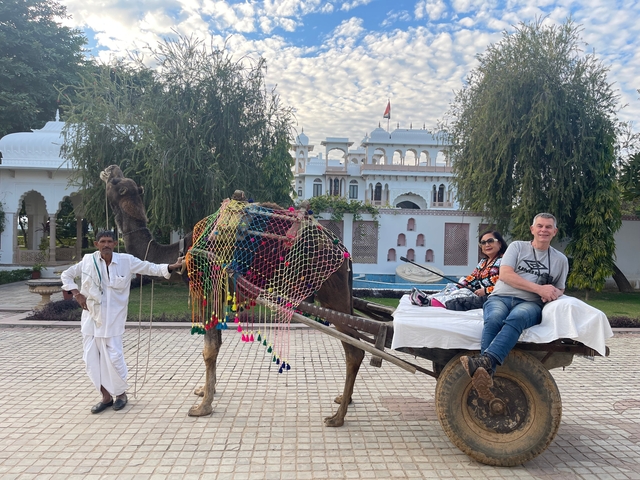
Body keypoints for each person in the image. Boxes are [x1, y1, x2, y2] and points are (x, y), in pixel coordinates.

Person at [61, 230, 184, 414]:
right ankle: (105, 396)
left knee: (114, 358)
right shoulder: (88, 261)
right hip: (91, 320)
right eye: (102, 241)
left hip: (113, 321)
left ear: (115, 243)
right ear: (97, 244)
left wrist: (172, 266)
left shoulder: (126, 260)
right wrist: (77, 294)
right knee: (90, 359)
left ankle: (120, 395)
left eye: (110, 241)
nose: (106, 245)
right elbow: (66, 275)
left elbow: (149, 267)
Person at [460, 213, 569, 399]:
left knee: (517, 317)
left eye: (548, 227)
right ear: (532, 229)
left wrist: (552, 293)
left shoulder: (560, 260)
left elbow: (560, 287)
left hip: (530, 303)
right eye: (540, 226)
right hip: (501, 297)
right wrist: (539, 288)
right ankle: (487, 374)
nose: (544, 230)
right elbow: (505, 275)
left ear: (554, 231)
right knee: (494, 318)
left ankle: (484, 363)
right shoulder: (517, 247)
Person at [444, 230, 508, 311]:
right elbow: (470, 279)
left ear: (500, 243)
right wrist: (454, 288)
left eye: (490, 241)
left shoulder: (506, 260)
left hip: (498, 299)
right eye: (483, 243)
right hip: (483, 297)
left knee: (457, 303)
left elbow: (508, 284)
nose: (487, 245)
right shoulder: (483, 262)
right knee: (452, 296)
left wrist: (486, 291)